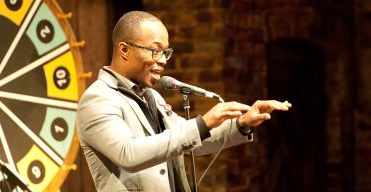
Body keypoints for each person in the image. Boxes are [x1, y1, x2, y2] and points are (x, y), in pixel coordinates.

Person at [76, 11, 292, 192]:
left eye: (166, 52)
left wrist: (242, 123)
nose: (162, 60)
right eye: (155, 50)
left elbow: (192, 140)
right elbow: (128, 154)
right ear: (124, 49)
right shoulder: (98, 99)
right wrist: (202, 124)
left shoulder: (151, 96)